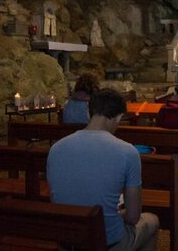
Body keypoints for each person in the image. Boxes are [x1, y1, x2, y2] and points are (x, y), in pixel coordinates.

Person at [48, 89, 159, 251]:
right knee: (152, 221)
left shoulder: (56, 149)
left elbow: (57, 200)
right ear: (119, 117)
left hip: (68, 241)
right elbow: (133, 216)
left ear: (88, 113)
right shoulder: (128, 152)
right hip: (107, 242)